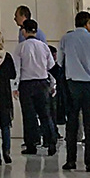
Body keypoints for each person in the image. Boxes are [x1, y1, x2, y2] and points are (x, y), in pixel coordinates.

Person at [57, 9, 90, 170]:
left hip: (72, 84)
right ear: (87, 23)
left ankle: (70, 160)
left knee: (72, 122)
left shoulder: (66, 39)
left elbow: (60, 61)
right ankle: (89, 162)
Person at [15, 18, 57, 155]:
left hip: (27, 84)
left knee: (29, 116)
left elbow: (17, 68)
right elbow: (51, 65)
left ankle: (31, 144)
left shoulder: (21, 47)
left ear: (23, 31)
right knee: (45, 114)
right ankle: (51, 143)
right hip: (42, 83)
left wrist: (15, 86)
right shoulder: (43, 46)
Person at [0, 34, 15, 166]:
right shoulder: (7, 57)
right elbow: (13, 74)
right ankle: (6, 151)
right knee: (5, 125)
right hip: (4, 94)